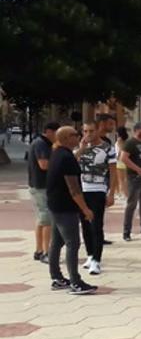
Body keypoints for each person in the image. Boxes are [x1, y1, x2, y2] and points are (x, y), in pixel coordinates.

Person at [46, 126, 97, 295]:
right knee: (72, 243)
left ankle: (56, 277)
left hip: (55, 204)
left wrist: (80, 150)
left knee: (57, 241)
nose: (79, 136)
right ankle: (75, 282)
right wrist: (85, 209)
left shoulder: (58, 153)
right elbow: (74, 189)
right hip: (65, 207)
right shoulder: (66, 157)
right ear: (67, 138)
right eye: (76, 134)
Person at [77, 115, 117, 275]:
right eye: (85, 131)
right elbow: (70, 162)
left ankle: (97, 260)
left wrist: (111, 193)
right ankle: (89, 254)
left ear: (97, 130)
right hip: (82, 190)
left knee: (96, 224)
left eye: (91, 131)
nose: (88, 134)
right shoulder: (80, 148)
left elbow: (113, 172)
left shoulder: (108, 148)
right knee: (85, 224)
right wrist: (81, 148)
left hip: (98, 190)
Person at [28, 122, 60, 263]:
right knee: (47, 219)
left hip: (39, 185)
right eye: (56, 133)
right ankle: (47, 252)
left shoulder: (41, 143)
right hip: (41, 186)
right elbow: (44, 164)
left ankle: (39, 250)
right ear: (48, 132)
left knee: (41, 218)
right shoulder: (41, 144)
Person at [115, 127, 129, 199]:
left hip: (120, 160)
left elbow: (120, 149)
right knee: (125, 178)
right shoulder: (127, 140)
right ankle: (126, 193)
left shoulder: (119, 140)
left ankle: (123, 194)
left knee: (121, 179)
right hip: (126, 160)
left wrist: (117, 157)